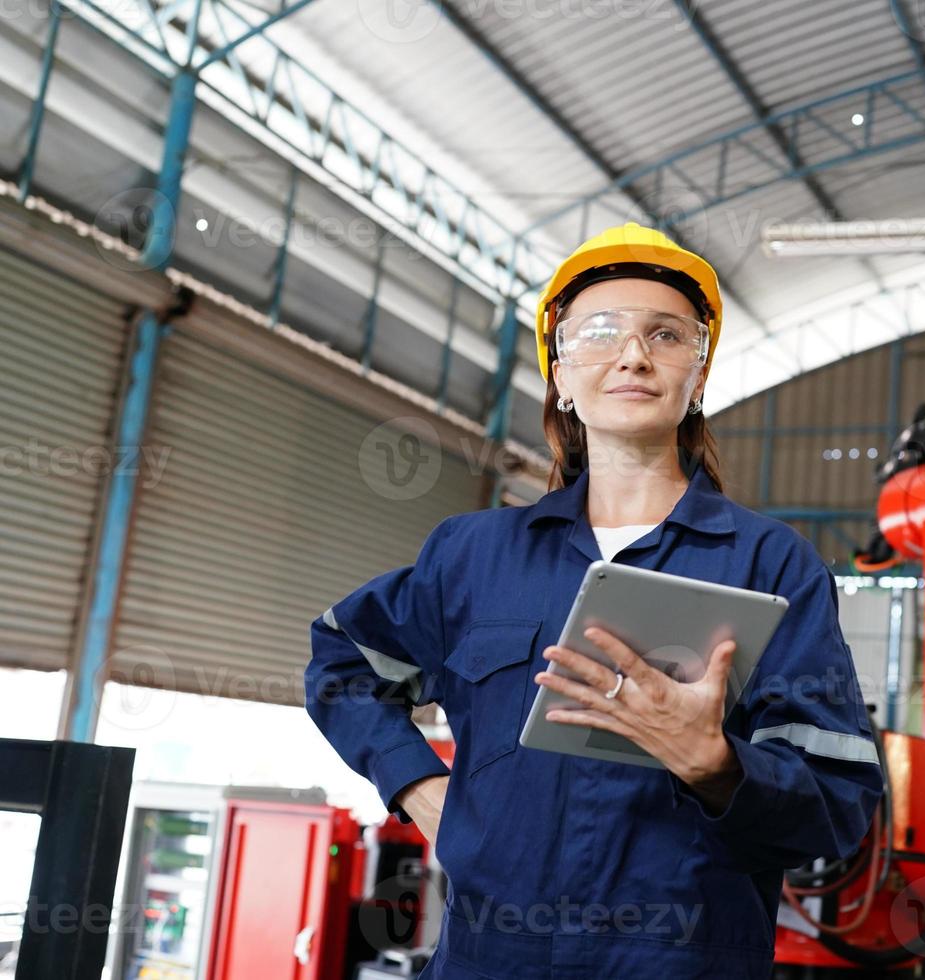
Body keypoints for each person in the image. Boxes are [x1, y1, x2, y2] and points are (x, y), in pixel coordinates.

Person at [303, 222, 884, 978]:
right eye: (600, 332)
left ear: (698, 377)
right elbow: (342, 661)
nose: (634, 354)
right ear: (562, 377)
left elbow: (839, 804)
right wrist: (414, 783)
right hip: (490, 961)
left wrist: (715, 765)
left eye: (667, 335)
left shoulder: (771, 565)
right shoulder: (474, 556)